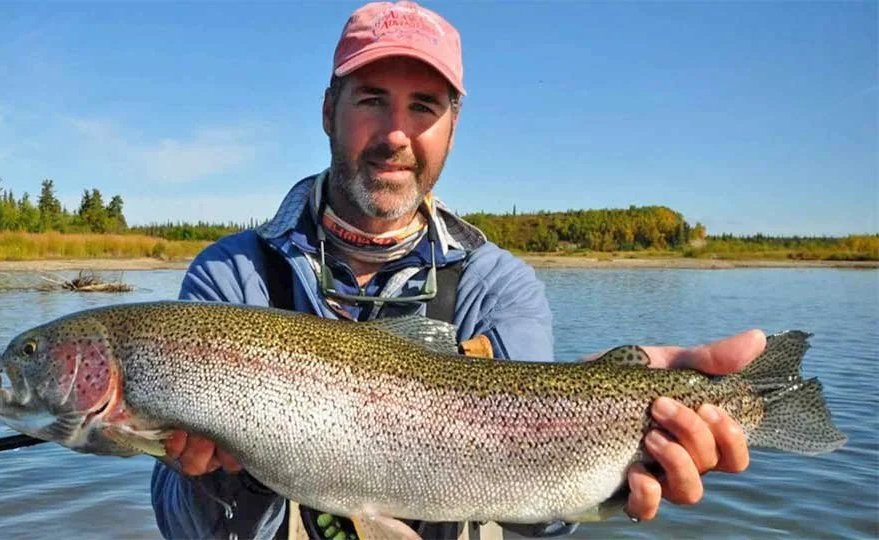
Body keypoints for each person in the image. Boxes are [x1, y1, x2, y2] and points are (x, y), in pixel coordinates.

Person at [150, 2, 760, 539]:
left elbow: (537, 514)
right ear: (328, 110)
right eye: (371, 99)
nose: (396, 133)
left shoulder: (501, 287)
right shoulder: (232, 277)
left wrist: (619, 439)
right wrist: (228, 479)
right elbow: (179, 522)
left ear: (452, 126)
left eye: (423, 106)